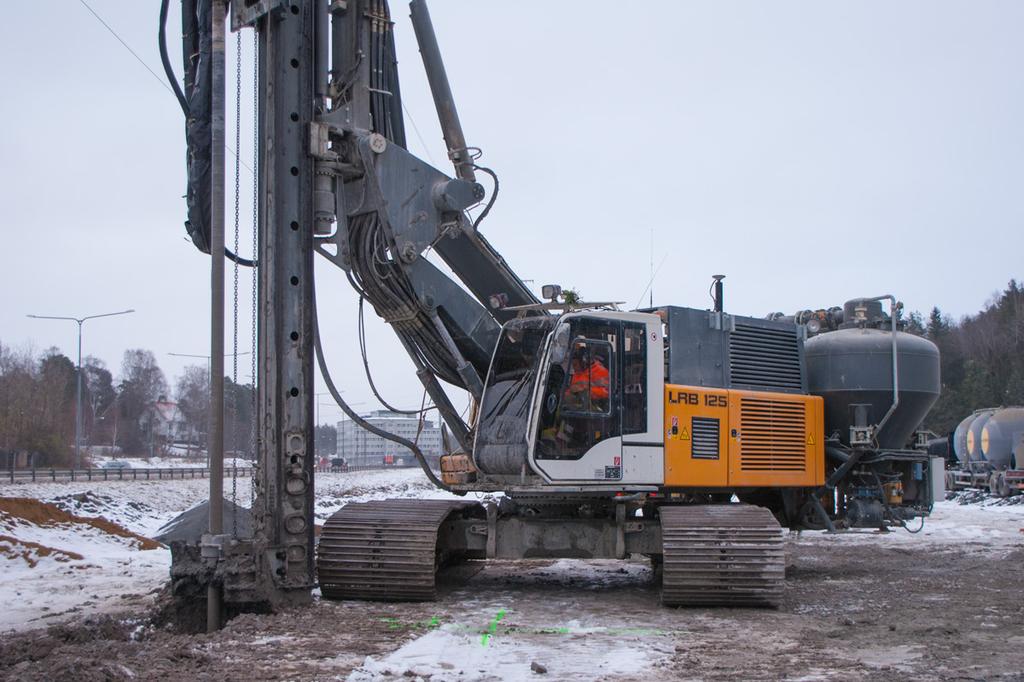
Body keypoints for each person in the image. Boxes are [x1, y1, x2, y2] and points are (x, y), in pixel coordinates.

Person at [564, 343, 610, 411]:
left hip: (597, 410)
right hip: (579, 408)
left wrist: (586, 391)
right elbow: (570, 391)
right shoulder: (577, 373)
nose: (574, 368)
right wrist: (569, 393)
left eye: (575, 365)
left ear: (584, 361)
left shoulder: (601, 372)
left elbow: (607, 393)